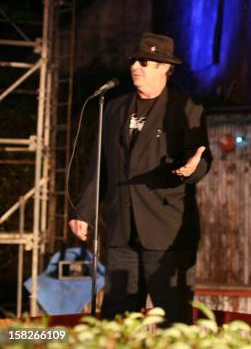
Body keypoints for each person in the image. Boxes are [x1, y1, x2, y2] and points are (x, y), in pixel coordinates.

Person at [68, 33, 212, 323]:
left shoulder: (186, 107)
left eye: (145, 62)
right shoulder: (113, 108)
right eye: (134, 60)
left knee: (172, 320)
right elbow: (100, 165)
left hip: (166, 233)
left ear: (164, 68)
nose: (136, 66)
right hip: (122, 232)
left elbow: (201, 157)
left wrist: (190, 169)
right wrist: (84, 210)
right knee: (117, 319)